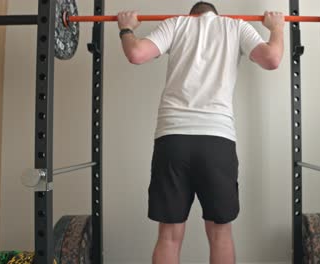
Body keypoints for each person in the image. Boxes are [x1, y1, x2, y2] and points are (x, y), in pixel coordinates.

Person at [117, 2, 284, 264]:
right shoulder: (236, 26)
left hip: (173, 139)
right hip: (217, 142)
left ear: (192, 14)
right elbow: (272, 59)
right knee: (220, 233)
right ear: (214, 14)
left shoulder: (176, 23)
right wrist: (276, 28)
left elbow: (136, 54)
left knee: (169, 234)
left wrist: (126, 28)